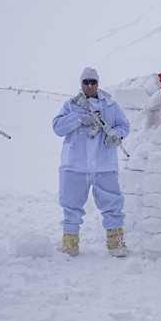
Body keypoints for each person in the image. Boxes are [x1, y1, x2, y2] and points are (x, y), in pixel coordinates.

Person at [52, 67, 131, 257]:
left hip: (104, 164)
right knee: (70, 204)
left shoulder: (111, 106)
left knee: (112, 203)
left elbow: (124, 126)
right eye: (86, 82)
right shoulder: (71, 105)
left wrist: (115, 135)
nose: (89, 86)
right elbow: (57, 126)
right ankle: (70, 242)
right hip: (75, 164)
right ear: (81, 83)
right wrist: (79, 118)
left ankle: (115, 241)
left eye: (93, 82)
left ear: (98, 83)